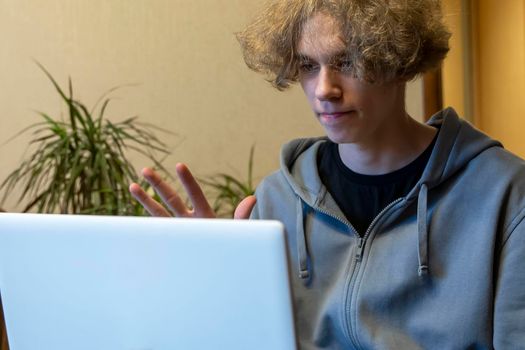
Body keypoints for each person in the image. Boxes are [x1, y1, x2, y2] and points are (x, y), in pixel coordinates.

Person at [130, 0, 525, 348]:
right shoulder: (275, 201)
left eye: (348, 61)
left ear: (400, 59)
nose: (324, 89)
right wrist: (211, 281)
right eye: (307, 65)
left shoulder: (503, 194)